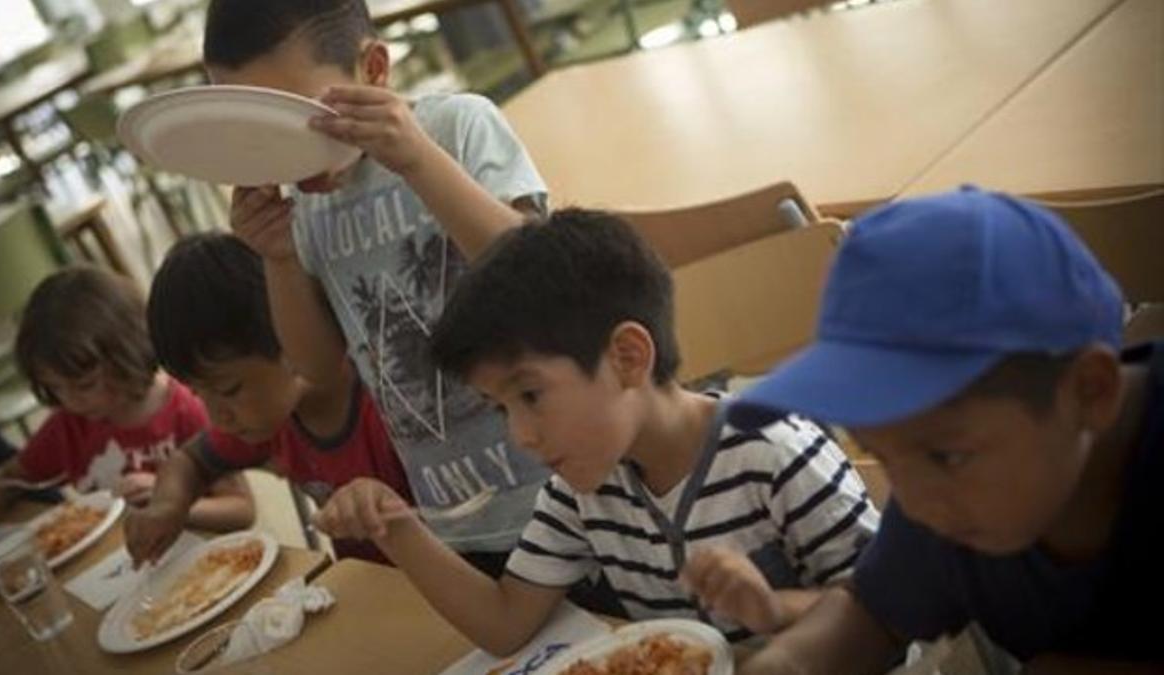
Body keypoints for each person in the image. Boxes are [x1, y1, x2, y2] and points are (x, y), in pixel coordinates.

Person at [313, 209, 878, 652]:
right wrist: (397, 528)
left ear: (628, 356)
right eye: (500, 408)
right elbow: (505, 622)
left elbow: (887, 610)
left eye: (530, 396)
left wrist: (777, 613)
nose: (521, 435)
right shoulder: (583, 490)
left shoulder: (774, 450)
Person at [729, 187, 1163, 673]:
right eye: (881, 455)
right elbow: (873, 612)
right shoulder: (947, 491)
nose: (914, 503)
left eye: (947, 456)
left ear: (1091, 393)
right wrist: (792, 662)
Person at [200, 0, 552, 574]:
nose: (284, 148)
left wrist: (416, 160)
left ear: (374, 70)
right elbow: (317, 363)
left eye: (296, 115)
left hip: (562, 478)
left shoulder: (456, 127)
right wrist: (280, 258)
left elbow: (540, 276)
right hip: (454, 516)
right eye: (255, 126)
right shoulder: (309, 207)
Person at [125, 234, 412, 565]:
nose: (218, 417)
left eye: (229, 390)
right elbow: (189, 461)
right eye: (198, 393)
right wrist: (167, 506)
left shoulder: (389, 407)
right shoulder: (276, 418)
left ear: (288, 337)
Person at [0, 267, 253, 536]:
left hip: (206, 562)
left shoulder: (187, 411)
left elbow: (241, 510)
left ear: (126, 354)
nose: (70, 400)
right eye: (56, 388)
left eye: (84, 385)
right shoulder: (70, 425)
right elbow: (13, 475)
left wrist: (170, 501)